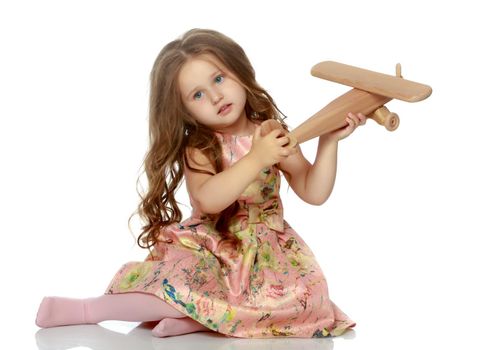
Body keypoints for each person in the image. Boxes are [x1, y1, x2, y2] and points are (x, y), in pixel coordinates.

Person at [35, 28, 366, 338]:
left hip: (268, 254)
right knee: (174, 284)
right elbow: (208, 200)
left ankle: (195, 319)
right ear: (186, 111)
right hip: (215, 247)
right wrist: (257, 158)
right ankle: (88, 309)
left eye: (219, 78)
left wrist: (328, 143)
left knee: (302, 301)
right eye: (198, 94)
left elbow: (313, 190)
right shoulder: (202, 147)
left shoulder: (267, 132)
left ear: (239, 71)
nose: (216, 96)